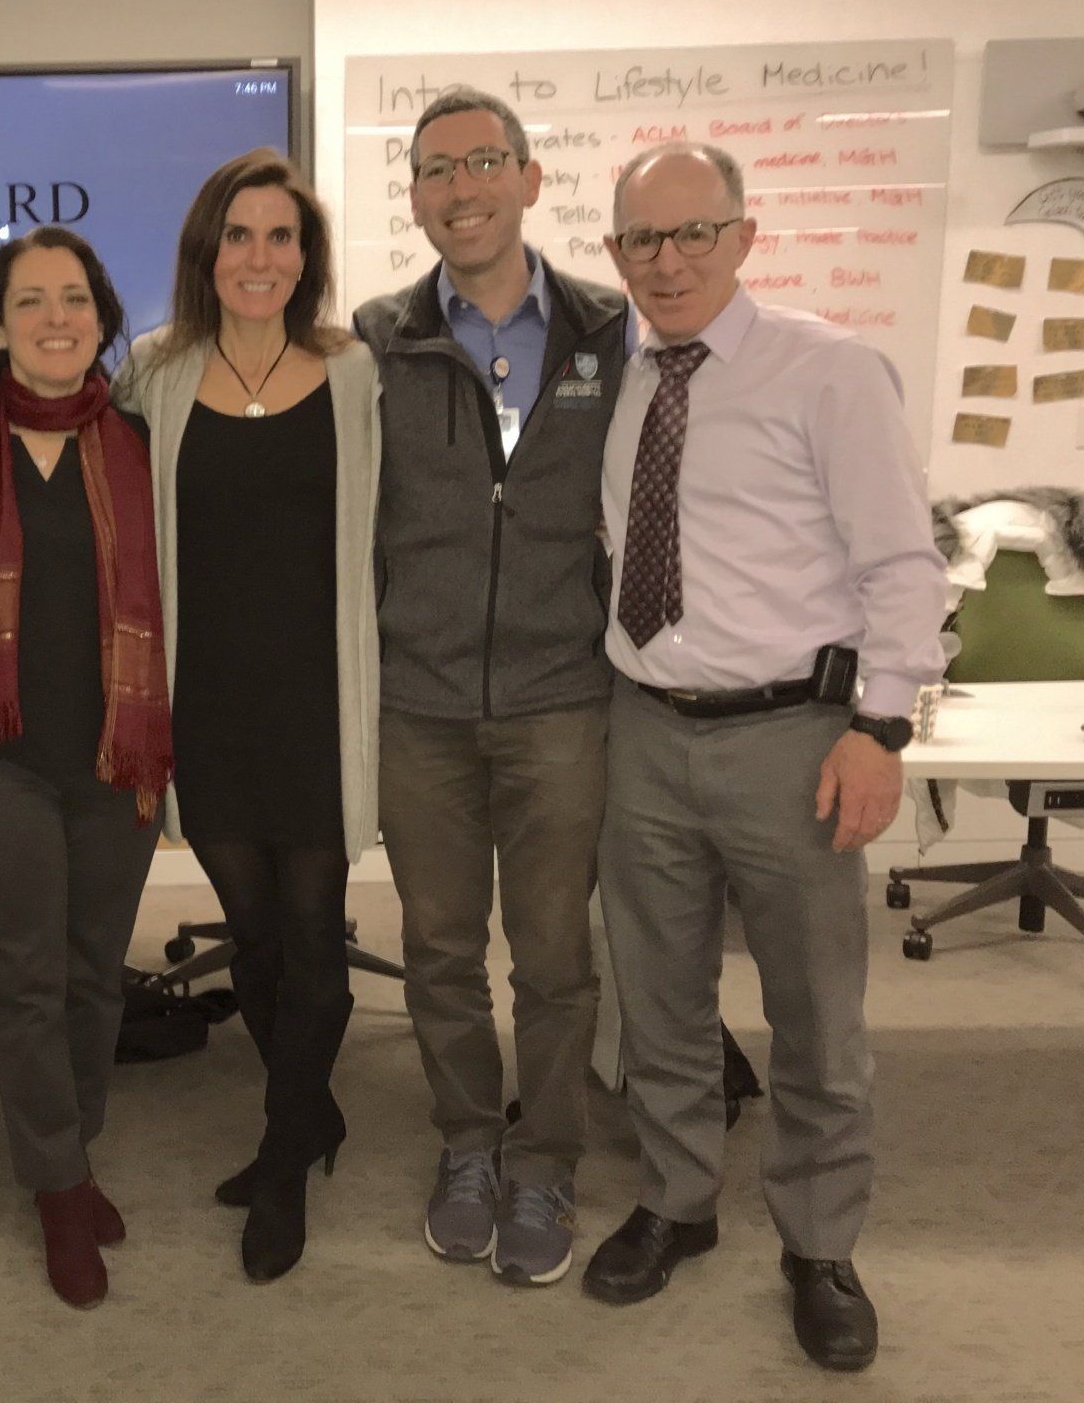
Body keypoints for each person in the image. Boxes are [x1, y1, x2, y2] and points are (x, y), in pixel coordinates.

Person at [578, 142, 946, 1373]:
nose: (668, 261)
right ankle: (679, 1203)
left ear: (745, 236)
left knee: (815, 1020)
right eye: (642, 239)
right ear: (617, 250)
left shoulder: (829, 371)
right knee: (661, 1002)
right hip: (646, 732)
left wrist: (880, 729)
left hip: (794, 738)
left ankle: (820, 1243)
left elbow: (904, 566)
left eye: (694, 234)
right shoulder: (623, 377)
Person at [351, 90, 627, 1286]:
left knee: (557, 956)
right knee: (441, 949)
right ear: (413, 197)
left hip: (564, 699)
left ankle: (548, 1158)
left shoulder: (613, 332)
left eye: (481, 163)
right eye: (434, 170)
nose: (459, 189)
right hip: (419, 706)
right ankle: (468, 1143)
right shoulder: (375, 338)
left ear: (527, 178)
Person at [115, 148, 381, 1283]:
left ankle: (283, 1155)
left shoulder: (359, 372)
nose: (259, 258)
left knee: (315, 939)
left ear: (307, 259)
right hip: (210, 701)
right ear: (205, 255)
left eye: (281, 237)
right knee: (258, 935)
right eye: (239, 236)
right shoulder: (155, 373)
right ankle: (307, 1116)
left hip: (322, 697)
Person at [0, 227, 170, 1309]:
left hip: (113, 755)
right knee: (25, 980)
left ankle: (70, 1147)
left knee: (94, 977)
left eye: (75, 298)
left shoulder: (143, 438)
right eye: (31, 301)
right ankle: (60, 1188)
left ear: (102, 316)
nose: (56, 317)